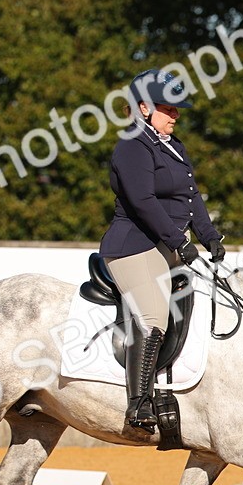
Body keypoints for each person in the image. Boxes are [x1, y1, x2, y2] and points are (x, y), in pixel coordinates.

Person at [100, 69, 226, 432]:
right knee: (154, 317)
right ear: (143, 108)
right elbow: (143, 201)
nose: (175, 115)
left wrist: (209, 235)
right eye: (167, 109)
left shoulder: (172, 146)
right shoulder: (131, 146)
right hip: (133, 247)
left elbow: (192, 195)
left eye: (176, 109)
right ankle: (138, 406)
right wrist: (179, 242)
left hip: (166, 244)